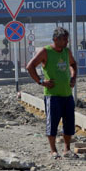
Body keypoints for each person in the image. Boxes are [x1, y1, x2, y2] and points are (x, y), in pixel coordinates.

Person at [26, 27, 78, 160]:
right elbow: (30, 66)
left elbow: (73, 64)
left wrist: (73, 77)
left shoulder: (67, 52)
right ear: (56, 39)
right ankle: (53, 150)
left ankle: (67, 149)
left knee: (69, 123)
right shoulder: (45, 52)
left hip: (67, 94)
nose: (67, 42)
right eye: (64, 40)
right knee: (52, 123)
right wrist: (41, 81)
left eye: (67, 39)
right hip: (52, 95)